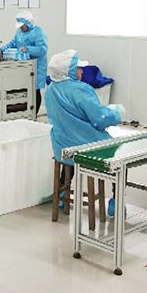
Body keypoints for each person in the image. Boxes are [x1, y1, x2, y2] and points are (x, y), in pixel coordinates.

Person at [45, 49, 126, 216]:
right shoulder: (81, 90)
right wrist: (115, 113)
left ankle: (61, 196)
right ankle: (116, 202)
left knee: (70, 159)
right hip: (88, 146)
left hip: (61, 147)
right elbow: (100, 119)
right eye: (78, 68)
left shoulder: (51, 89)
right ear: (67, 71)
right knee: (120, 159)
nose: (81, 71)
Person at [1, 11, 48, 114]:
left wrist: (27, 49)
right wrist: (1, 49)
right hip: (23, 66)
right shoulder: (19, 32)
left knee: (35, 91)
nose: (21, 27)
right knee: (23, 89)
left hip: (36, 67)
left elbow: (42, 49)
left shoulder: (38, 32)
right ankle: (25, 114)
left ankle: (34, 115)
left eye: (23, 25)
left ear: (29, 23)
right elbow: (13, 43)